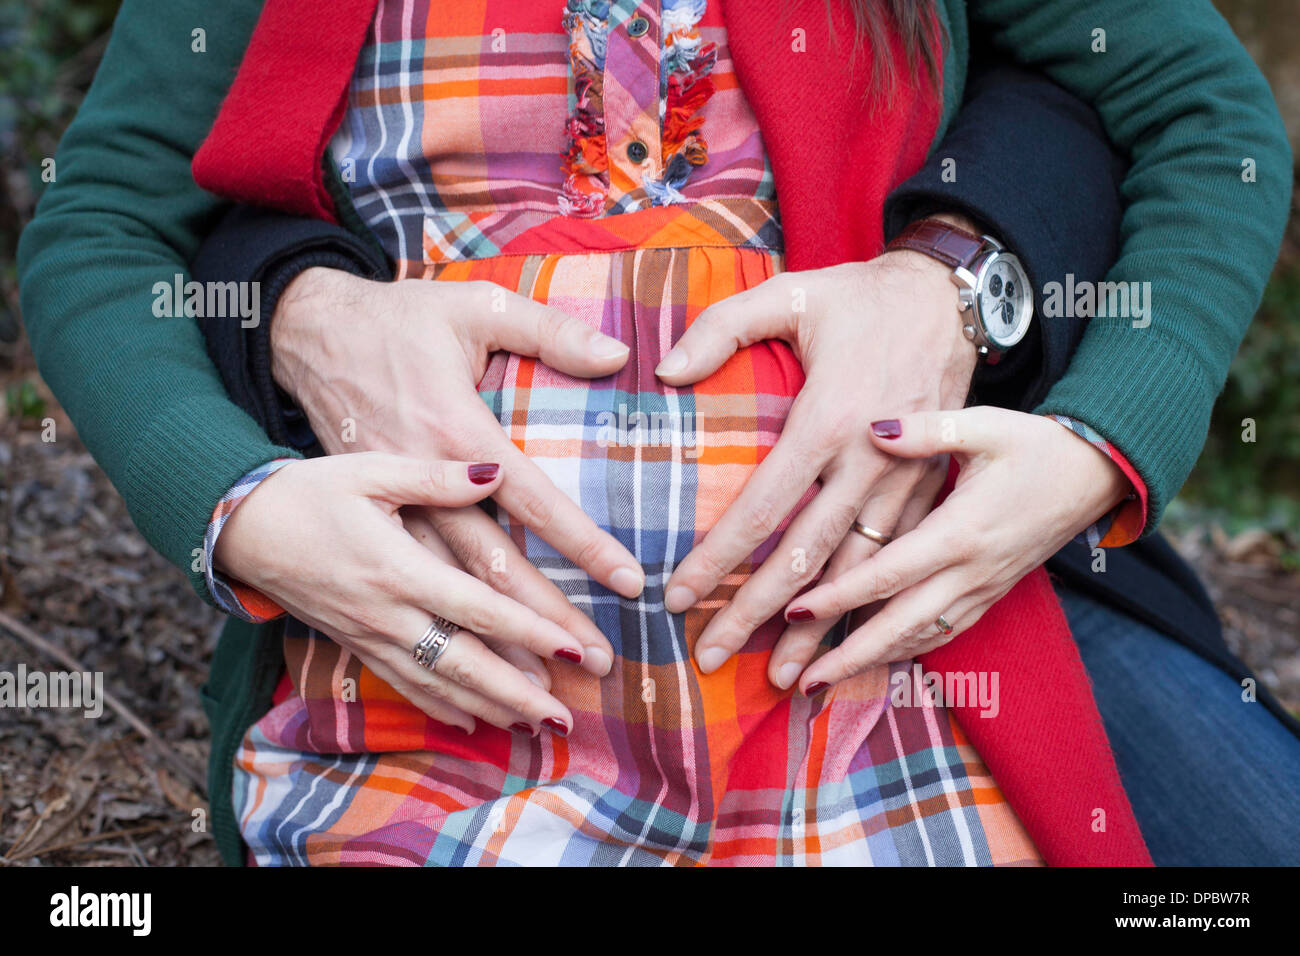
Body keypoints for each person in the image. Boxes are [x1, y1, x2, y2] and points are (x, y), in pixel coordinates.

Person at [18, 0, 1296, 865]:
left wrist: (1092, 437)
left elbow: (1196, 116)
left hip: (880, 689)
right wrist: (237, 503)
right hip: (444, 719)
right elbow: (107, 225)